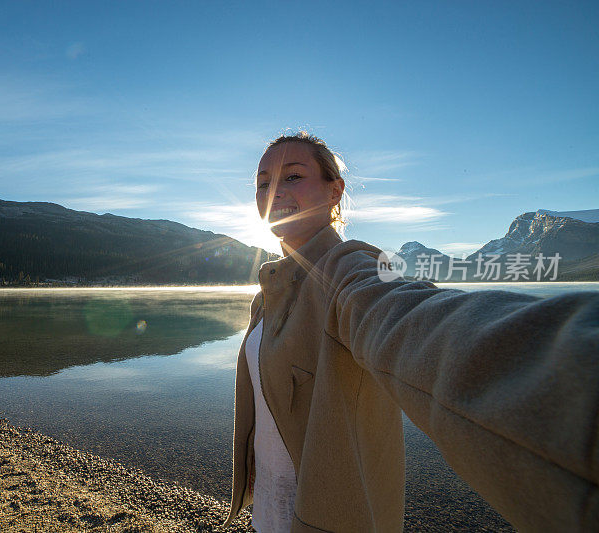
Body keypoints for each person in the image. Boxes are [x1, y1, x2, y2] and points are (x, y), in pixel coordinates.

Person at [222, 132, 599, 532]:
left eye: (293, 177)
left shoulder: (350, 270)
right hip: (268, 512)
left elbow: (407, 315)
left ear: (335, 191)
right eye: (264, 182)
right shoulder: (266, 296)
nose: (274, 191)